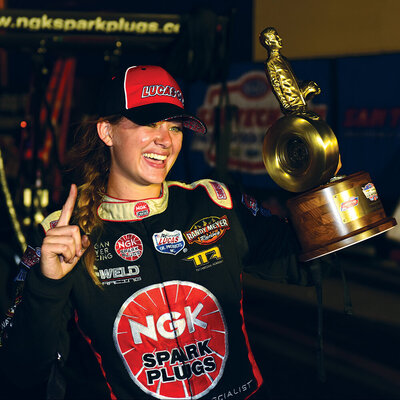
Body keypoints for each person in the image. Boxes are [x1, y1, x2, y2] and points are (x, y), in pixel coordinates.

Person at [0, 65, 320, 400]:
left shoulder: (215, 203)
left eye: (175, 126)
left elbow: (310, 260)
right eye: (149, 123)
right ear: (107, 132)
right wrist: (48, 285)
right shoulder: (63, 234)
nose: (165, 140)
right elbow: (22, 373)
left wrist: (324, 183)